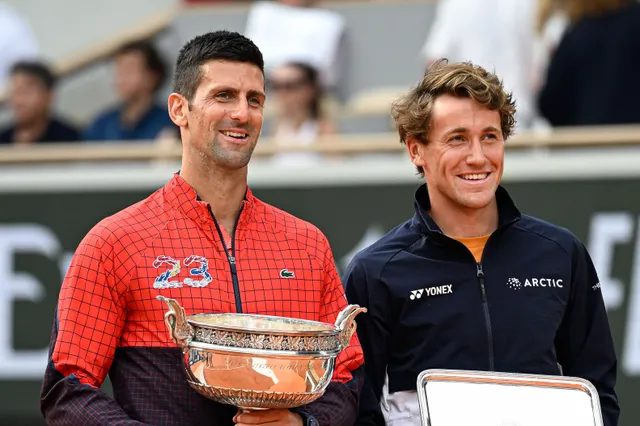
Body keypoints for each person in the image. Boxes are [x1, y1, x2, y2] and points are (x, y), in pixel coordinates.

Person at [40, 30, 364, 426]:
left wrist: (304, 424)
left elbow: (347, 375)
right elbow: (68, 388)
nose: (242, 113)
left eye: (255, 100)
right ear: (179, 109)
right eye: (223, 95)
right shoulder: (115, 242)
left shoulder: (306, 244)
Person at [343, 60, 619, 426]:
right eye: (457, 138)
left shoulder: (561, 253)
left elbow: (597, 394)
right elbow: (359, 410)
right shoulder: (375, 271)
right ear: (416, 150)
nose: (478, 157)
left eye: (489, 136)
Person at [83, 39, 176, 142]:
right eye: (119, 71)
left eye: (130, 70)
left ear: (152, 77)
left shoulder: (172, 122)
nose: (122, 78)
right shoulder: (101, 125)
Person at [0, 60, 79, 144]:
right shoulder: (3, 138)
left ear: (48, 95)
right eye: (15, 92)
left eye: (26, 92)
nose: (19, 101)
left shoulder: (69, 139)